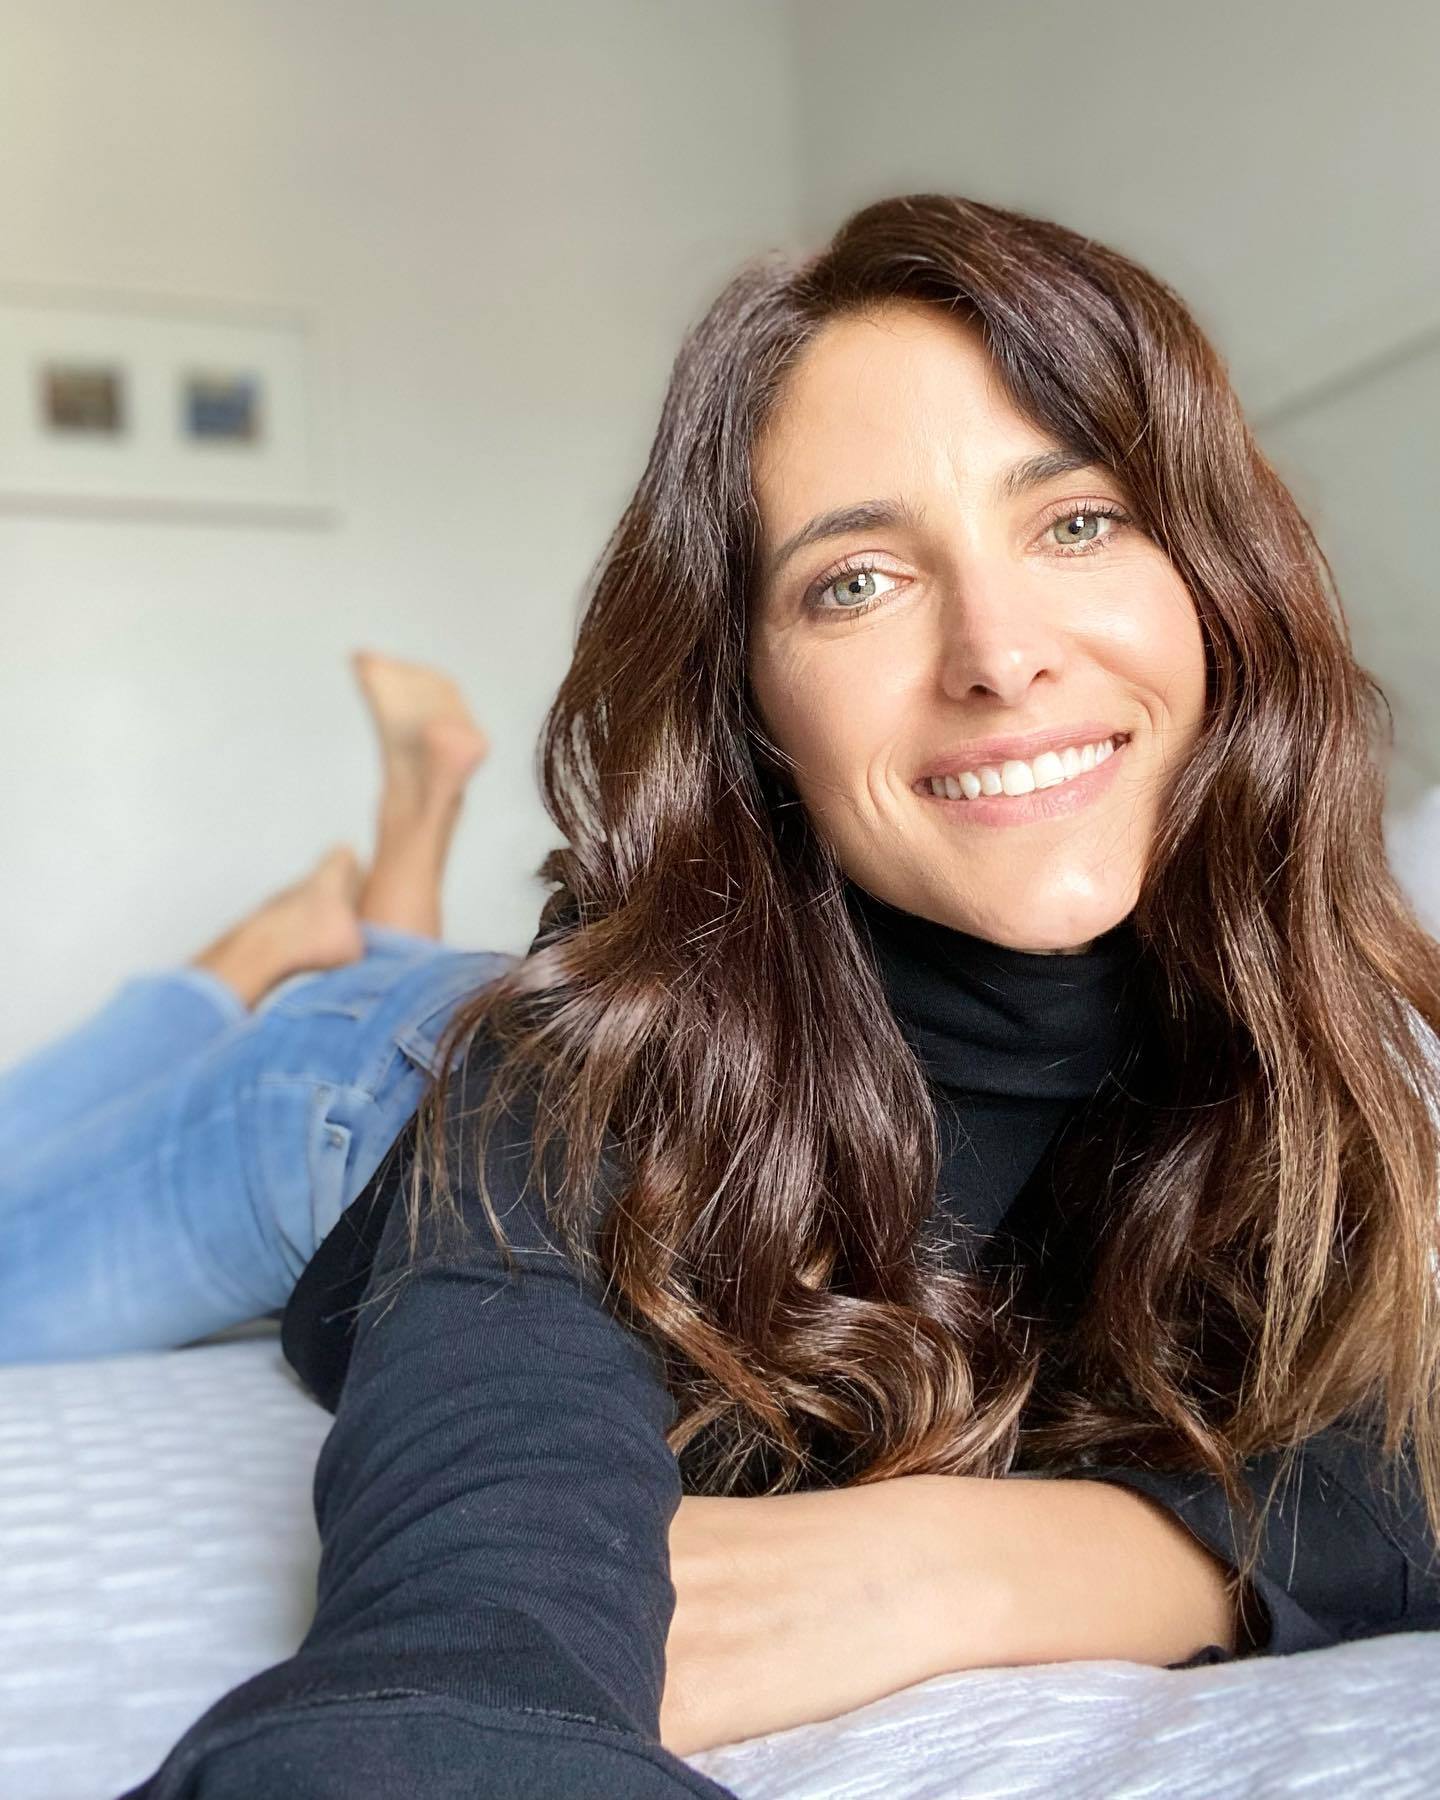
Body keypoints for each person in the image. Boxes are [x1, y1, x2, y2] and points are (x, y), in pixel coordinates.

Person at [115, 192, 1440, 1799]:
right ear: (750, 709)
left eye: (1078, 522)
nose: (1001, 655)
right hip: (338, 1100)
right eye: (857, 580)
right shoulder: (592, 1069)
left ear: (1219, 579)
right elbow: (470, 1615)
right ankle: (266, 960)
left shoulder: (1335, 1021)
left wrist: (982, 1566)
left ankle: (388, 878)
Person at [0, 651, 510, 1362]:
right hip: (370, 1102)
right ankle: (278, 933)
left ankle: (367, 862)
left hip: (461, 1030)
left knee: (390, 1045)